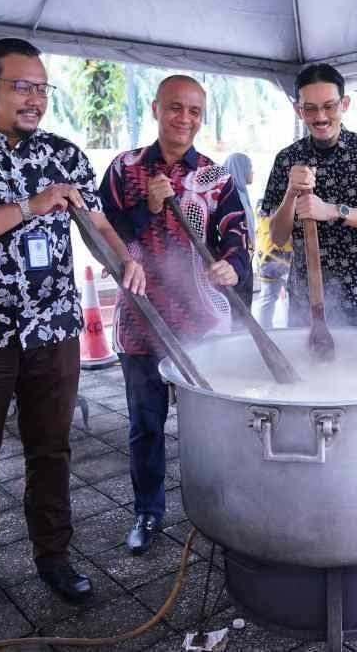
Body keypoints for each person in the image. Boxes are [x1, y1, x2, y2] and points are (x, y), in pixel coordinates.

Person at [0, 38, 146, 625]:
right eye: (22, 86)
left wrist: (127, 259)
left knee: (52, 450)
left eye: (42, 88)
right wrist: (30, 205)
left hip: (52, 326)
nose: (35, 99)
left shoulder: (63, 153)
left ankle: (55, 558)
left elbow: (95, 221)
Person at [99, 75, 248, 555]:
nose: (184, 119)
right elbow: (107, 238)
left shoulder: (216, 176)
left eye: (194, 112)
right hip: (142, 320)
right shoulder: (123, 170)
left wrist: (232, 266)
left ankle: (223, 505)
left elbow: (238, 236)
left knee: (211, 424)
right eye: (174, 108)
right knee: (146, 424)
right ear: (156, 109)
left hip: (203, 323)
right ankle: (148, 511)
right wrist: (149, 205)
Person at [263, 63, 357, 327]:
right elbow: (278, 237)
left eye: (329, 106)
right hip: (305, 299)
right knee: (303, 368)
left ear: (344, 104)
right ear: (298, 110)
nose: (321, 117)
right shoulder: (287, 159)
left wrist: (333, 211)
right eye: (310, 108)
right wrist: (290, 195)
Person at [223, 152, 257, 311]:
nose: (253, 172)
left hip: (246, 260)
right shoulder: (232, 197)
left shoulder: (243, 195)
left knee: (244, 307)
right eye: (250, 167)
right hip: (233, 264)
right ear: (241, 169)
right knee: (238, 310)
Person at [253, 201, 292, 328]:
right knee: (289, 297)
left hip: (265, 258)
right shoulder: (285, 202)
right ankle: (289, 331)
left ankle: (265, 334)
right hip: (283, 257)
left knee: (267, 300)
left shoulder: (261, 204)